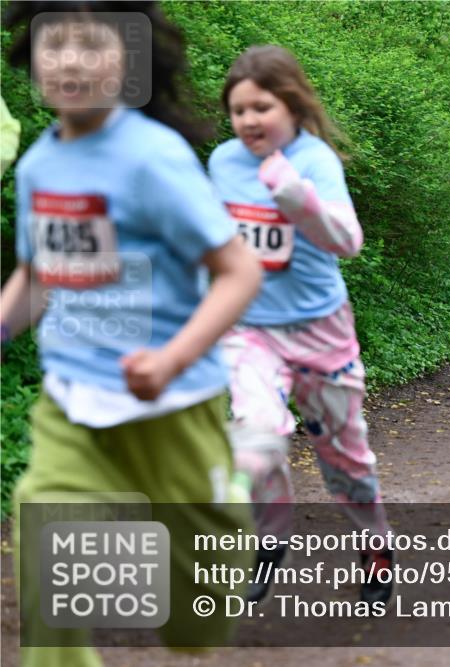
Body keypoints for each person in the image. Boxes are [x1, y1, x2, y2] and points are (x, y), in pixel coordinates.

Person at [1, 4, 262, 666]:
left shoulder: (153, 160)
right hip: (74, 399)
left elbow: (237, 271)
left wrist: (173, 359)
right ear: (30, 58)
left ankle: (227, 502)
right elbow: (40, 272)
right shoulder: (38, 167)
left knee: (194, 625)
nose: (69, 60)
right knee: (49, 553)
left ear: (127, 62)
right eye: (52, 44)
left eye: (91, 45)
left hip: (171, 404)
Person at [208, 45, 392, 604]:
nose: (248, 121)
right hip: (250, 331)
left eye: (260, 107)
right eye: (238, 110)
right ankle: (269, 538)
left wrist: (295, 195)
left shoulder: (314, 162)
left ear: (290, 105)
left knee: (347, 463)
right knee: (256, 434)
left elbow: (348, 241)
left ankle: (376, 546)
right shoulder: (222, 163)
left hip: (321, 331)